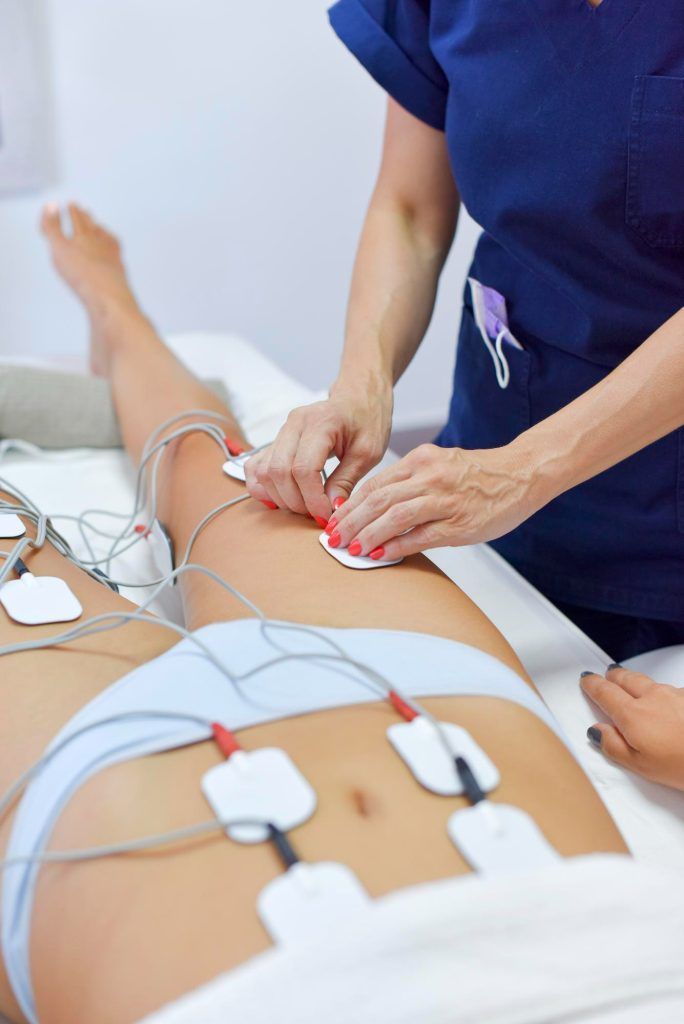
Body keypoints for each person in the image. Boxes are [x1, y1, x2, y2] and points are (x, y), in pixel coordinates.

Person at [0, 205, 679, 1024]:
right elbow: (408, 208)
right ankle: (118, 314)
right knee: (214, 464)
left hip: (96, 803)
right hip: (434, 702)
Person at [245, 0, 684, 662]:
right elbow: (410, 207)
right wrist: (363, 381)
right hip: (484, 464)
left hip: (660, 532)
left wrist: (527, 471)